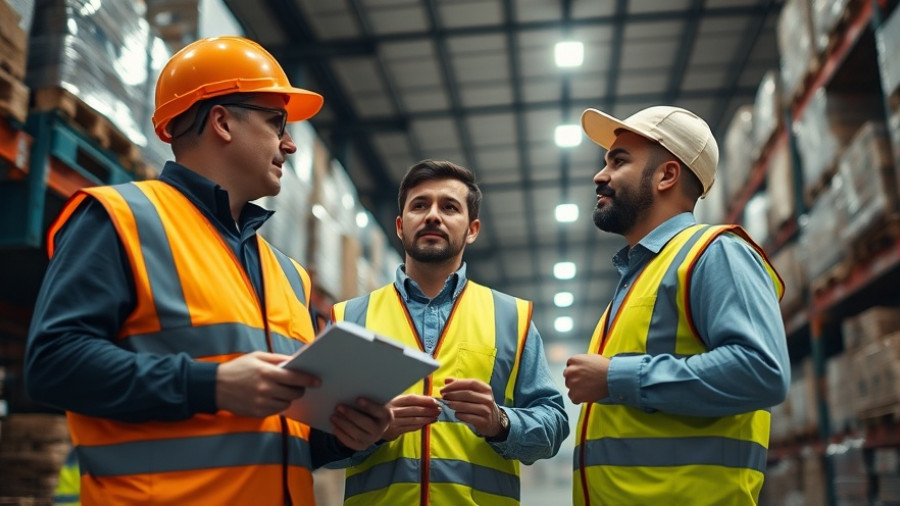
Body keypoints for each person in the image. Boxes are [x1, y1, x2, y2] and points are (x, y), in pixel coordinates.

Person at [25, 36, 392, 505]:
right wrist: (211, 385)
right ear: (221, 122)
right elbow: (53, 365)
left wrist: (346, 436)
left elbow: (281, 442)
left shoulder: (288, 275)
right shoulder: (120, 219)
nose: (290, 144)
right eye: (276, 122)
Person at [563, 106, 790, 505]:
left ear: (666, 175)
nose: (600, 176)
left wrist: (616, 377)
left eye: (619, 161)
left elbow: (762, 370)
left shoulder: (715, 254)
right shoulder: (639, 278)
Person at [331, 160, 570, 505]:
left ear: (472, 229)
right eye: (419, 205)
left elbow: (554, 426)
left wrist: (500, 422)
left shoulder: (512, 318)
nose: (432, 216)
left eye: (449, 207)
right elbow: (318, 440)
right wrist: (373, 432)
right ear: (400, 226)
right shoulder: (349, 319)